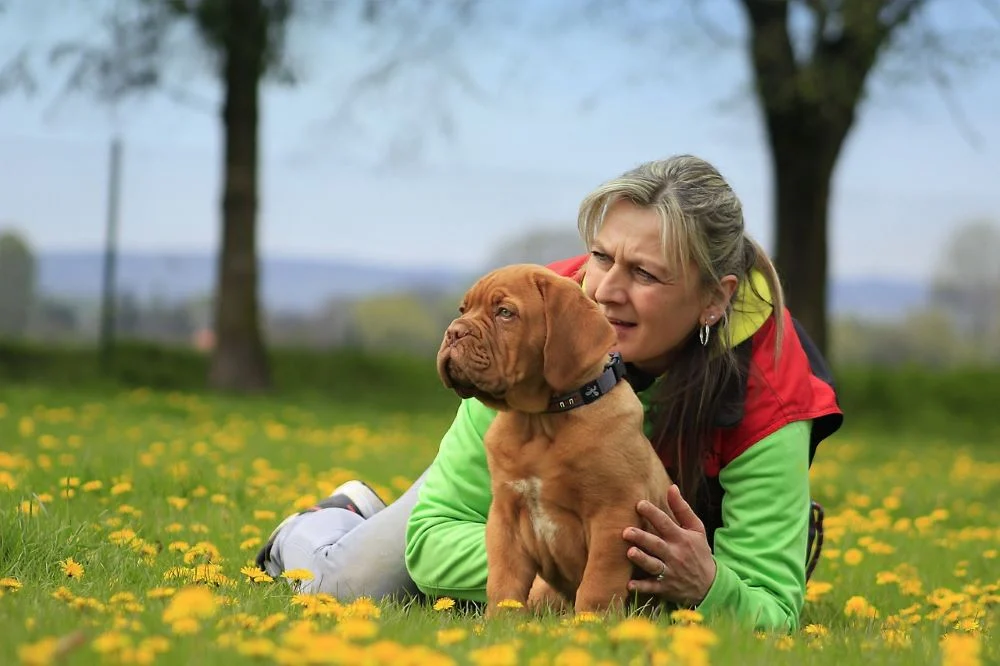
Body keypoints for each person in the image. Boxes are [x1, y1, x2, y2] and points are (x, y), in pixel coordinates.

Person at [256, 154, 843, 632]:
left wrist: (708, 587)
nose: (604, 291)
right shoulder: (532, 321)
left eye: (644, 273)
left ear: (715, 298)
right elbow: (434, 538)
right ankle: (325, 523)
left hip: (622, 549)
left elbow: (773, 608)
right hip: (525, 529)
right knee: (346, 583)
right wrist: (563, 575)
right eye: (601, 256)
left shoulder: (771, 395)